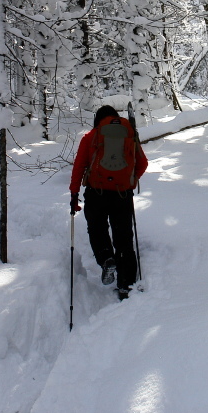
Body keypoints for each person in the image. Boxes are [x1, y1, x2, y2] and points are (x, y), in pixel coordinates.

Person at [69, 105, 148, 300]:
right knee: (123, 237)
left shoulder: (91, 137)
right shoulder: (129, 134)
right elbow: (143, 163)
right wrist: (130, 180)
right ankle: (126, 285)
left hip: (96, 193)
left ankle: (106, 258)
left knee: (97, 230)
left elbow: (79, 166)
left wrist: (74, 194)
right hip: (122, 194)